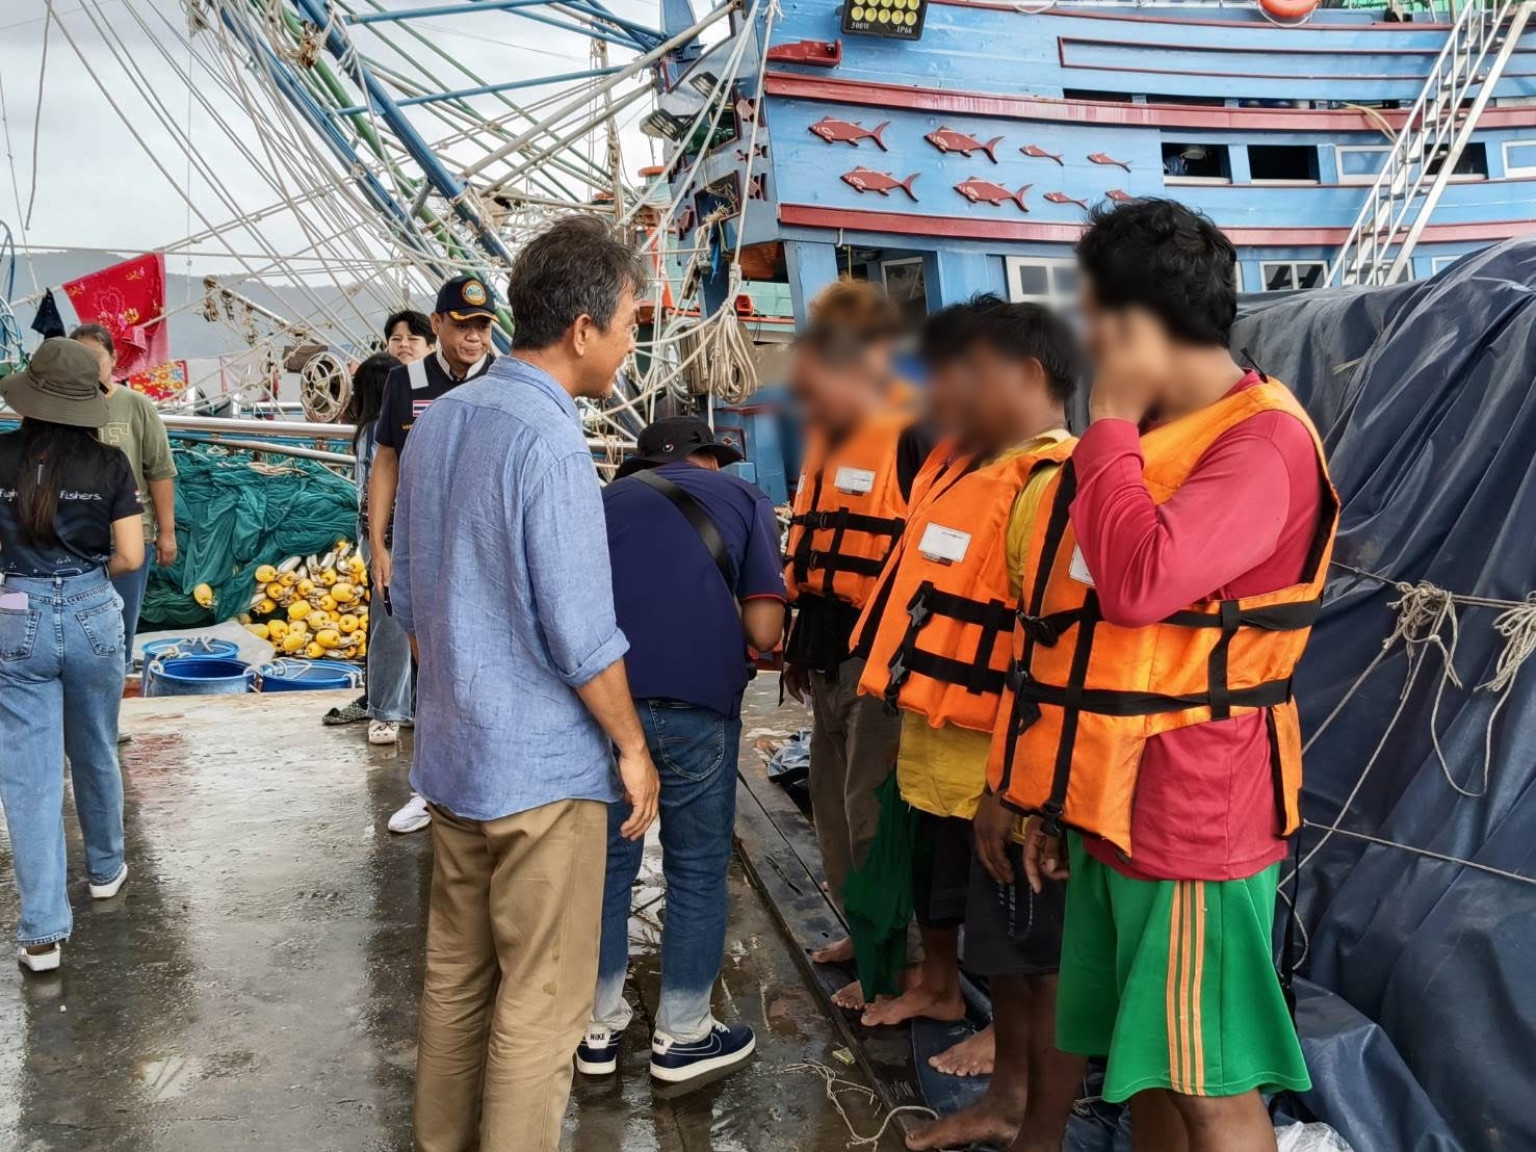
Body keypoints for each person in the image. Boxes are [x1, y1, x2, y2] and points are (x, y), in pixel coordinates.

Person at [993, 198, 1338, 1152]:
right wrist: (1058, 800)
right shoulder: (1155, 437)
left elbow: (1140, 584)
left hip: (1195, 816)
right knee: (1147, 1062)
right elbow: (1084, 637)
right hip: (1116, 803)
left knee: (1210, 1083)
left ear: (1132, 327)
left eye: (1093, 315)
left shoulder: (1261, 443)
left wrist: (1106, 423)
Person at [392, 216, 659, 1152]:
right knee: (542, 1007)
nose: (632, 345)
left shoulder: (440, 422)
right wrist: (632, 747)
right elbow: (581, 635)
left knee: (456, 983)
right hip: (542, 778)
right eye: (629, 323)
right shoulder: (549, 441)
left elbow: (408, 598)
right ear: (582, 330)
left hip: (456, 762)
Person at [854, 298, 1084, 1152]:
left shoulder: (1054, 484)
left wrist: (1021, 788)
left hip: (1012, 778)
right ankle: (1006, 1100)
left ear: (1026, 375)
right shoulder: (973, 470)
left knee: (1038, 961)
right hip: (958, 771)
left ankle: (1038, 1127)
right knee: (1005, 958)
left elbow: (1058, 654)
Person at [577, 416, 785, 1084]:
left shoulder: (601, 501)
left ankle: (596, 1029)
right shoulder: (745, 498)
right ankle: (685, 1034)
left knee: (608, 866)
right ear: (710, 459)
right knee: (695, 867)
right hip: (699, 702)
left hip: (606, 707)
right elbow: (764, 628)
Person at [0, 338, 144, 973]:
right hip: (91, 609)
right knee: (95, 746)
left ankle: (41, 932)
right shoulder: (111, 464)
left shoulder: (1, 456)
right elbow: (131, 556)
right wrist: (85, 581)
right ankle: (106, 869)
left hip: (16, 611)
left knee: (28, 776)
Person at [369, 283, 496, 834]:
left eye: (483, 326)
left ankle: (488, 784)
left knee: (487, 668)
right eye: (463, 324)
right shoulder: (407, 381)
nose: (473, 336)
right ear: (437, 323)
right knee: (430, 668)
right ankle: (431, 789)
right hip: (421, 548)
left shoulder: (503, 379)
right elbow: (386, 461)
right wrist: (378, 544)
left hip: (485, 552)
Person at [323, 312, 433, 734]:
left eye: (412, 338)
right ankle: (388, 709)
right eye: (396, 338)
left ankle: (410, 705)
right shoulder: (386, 416)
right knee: (391, 619)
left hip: (425, 530)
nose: (403, 344)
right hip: (391, 532)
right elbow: (377, 476)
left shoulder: (435, 395)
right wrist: (378, 541)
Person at [70, 324, 176, 679]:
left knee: (119, 630)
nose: (88, 365)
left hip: (128, 538)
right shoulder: (58, 408)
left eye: (95, 357)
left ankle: (115, 700)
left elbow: (159, 470)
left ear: (114, 358)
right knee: (73, 633)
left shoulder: (135, 405)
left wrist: (166, 532)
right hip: (70, 541)